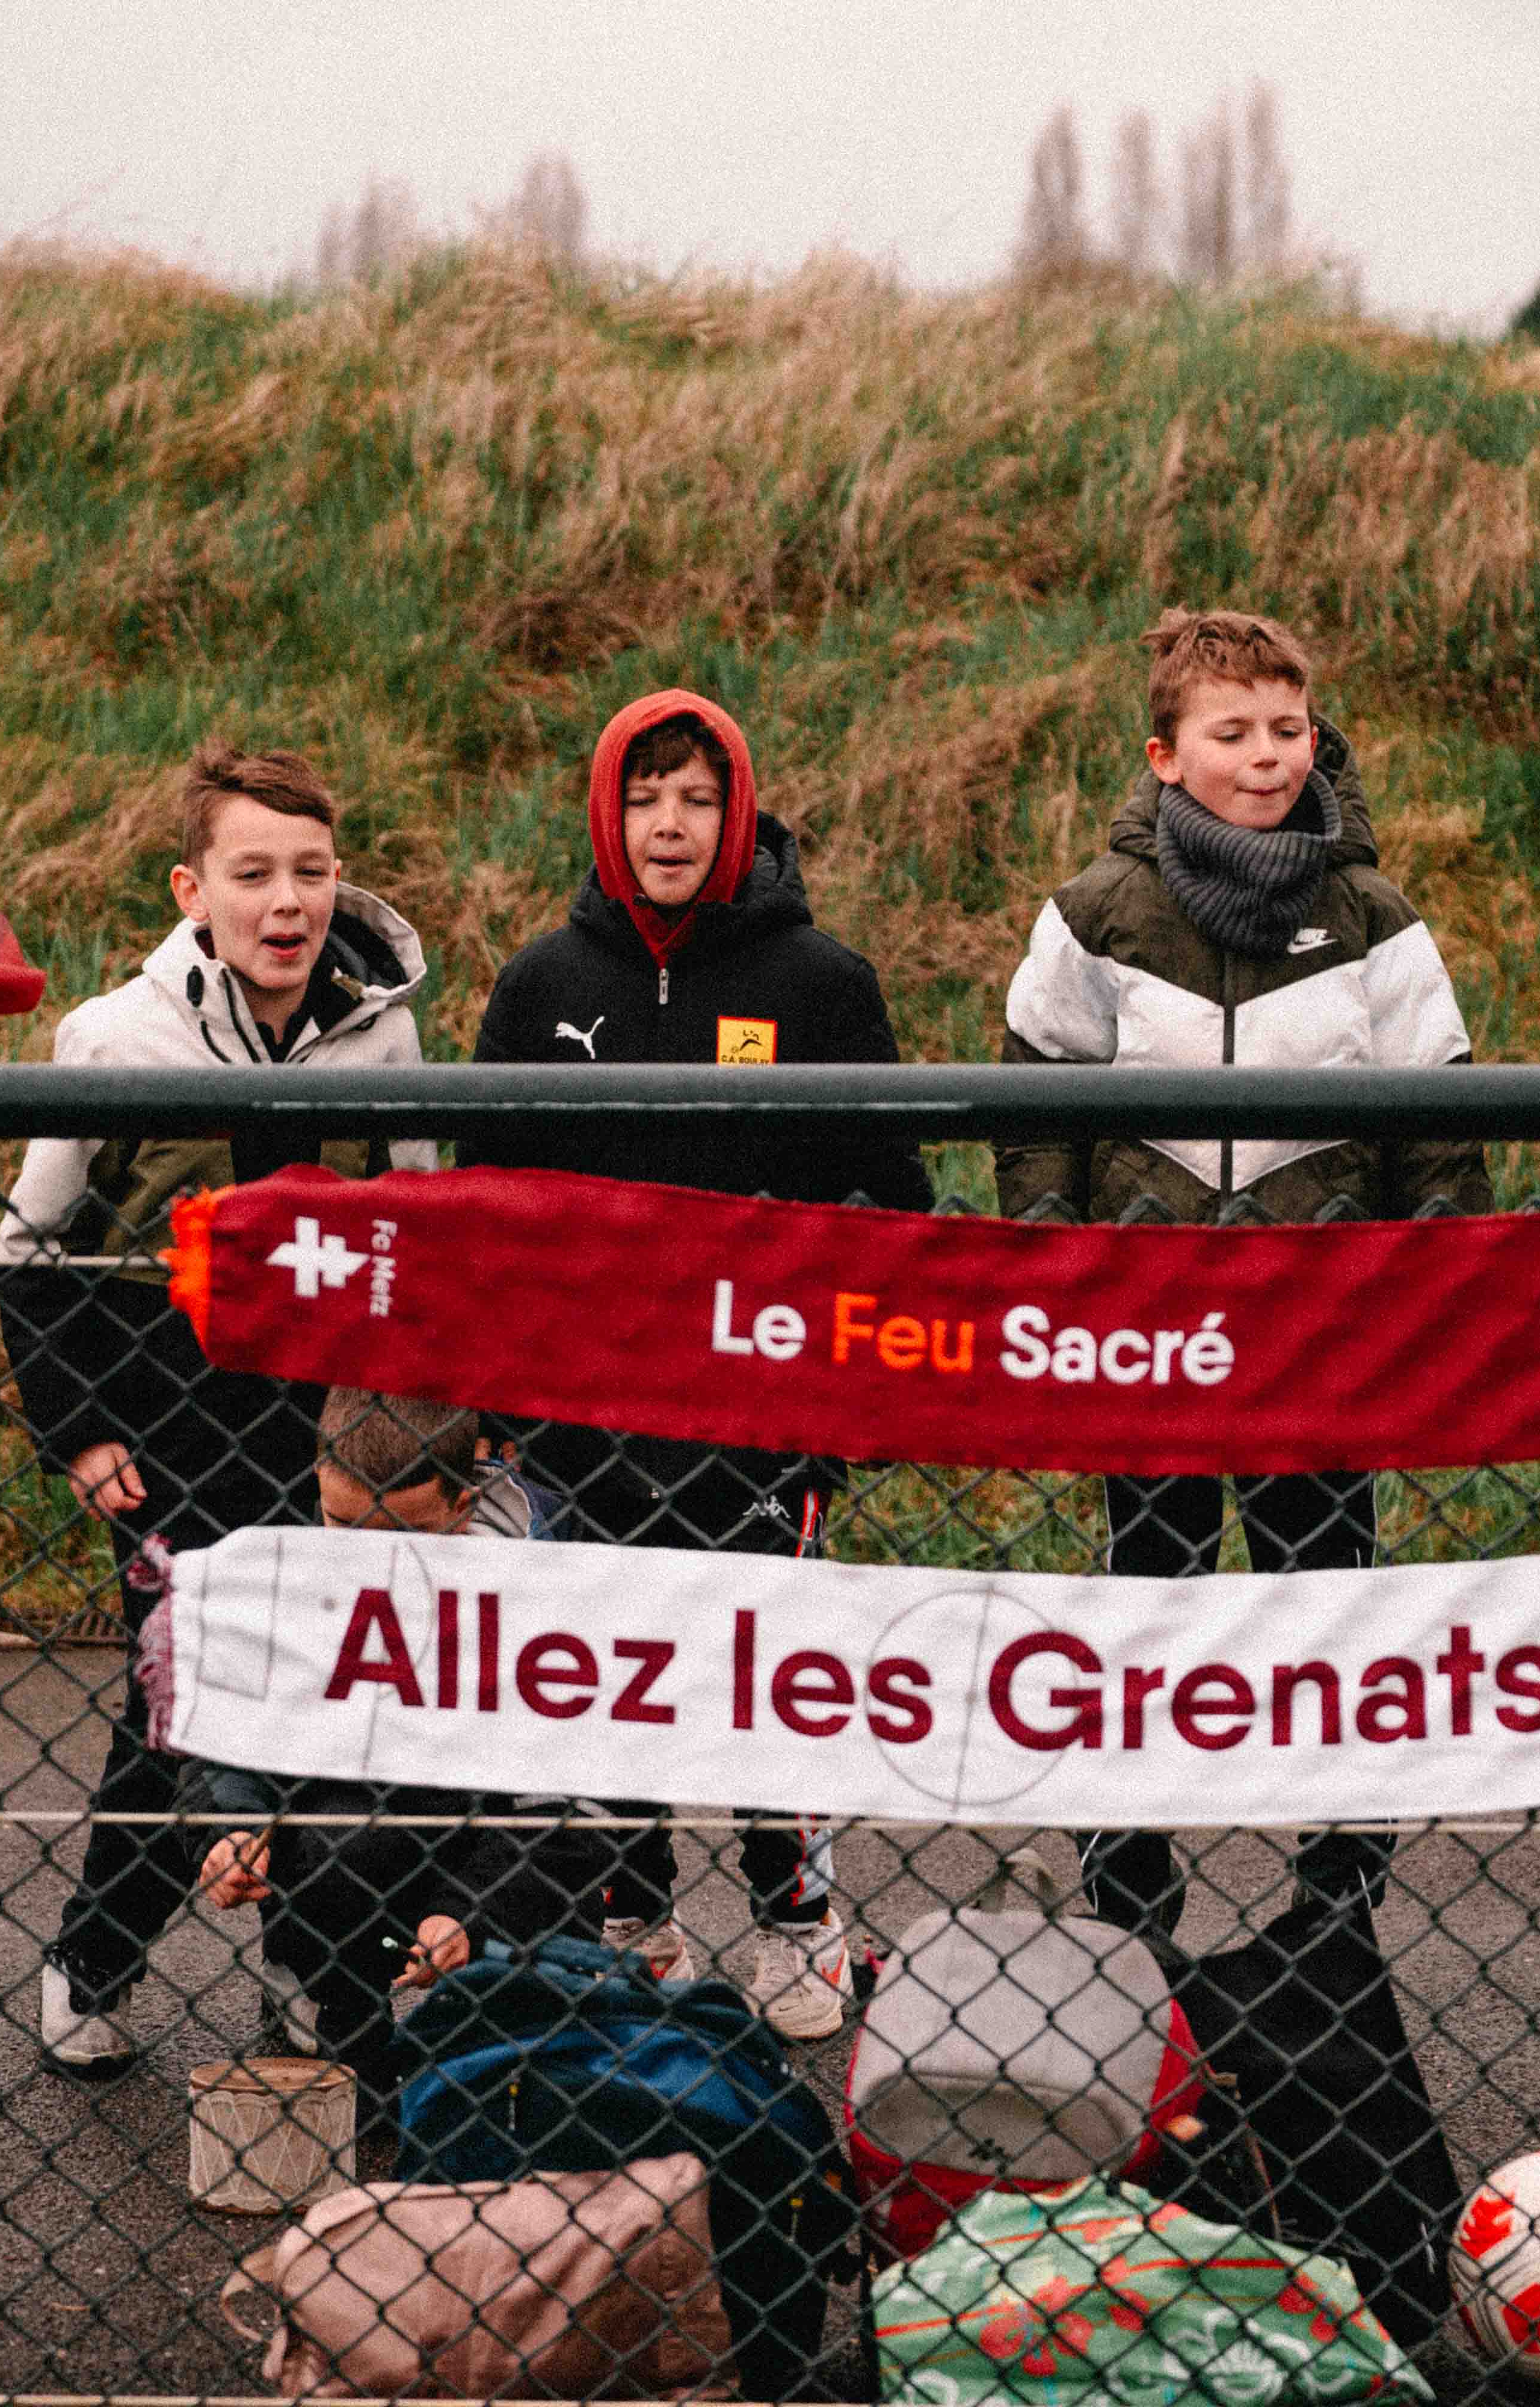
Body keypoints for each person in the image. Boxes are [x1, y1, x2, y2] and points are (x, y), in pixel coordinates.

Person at [993, 607, 1489, 1945]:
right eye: (1232, 732)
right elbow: (1037, 1112)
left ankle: (1340, 1886)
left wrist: (1431, 1305)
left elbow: (1436, 1123)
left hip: (1320, 1343)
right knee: (1140, 1610)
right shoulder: (1095, 915)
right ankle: (1127, 1888)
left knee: (1329, 1611)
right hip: (1147, 1341)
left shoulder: (1375, 914)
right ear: (1166, 755)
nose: (1266, 754)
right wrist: (1060, 1282)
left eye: (1287, 728)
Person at [457, 687, 935, 2039]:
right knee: (605, 1671)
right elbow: (488, 1207)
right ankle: (631, 1910)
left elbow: (888, 1200)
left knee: (769, 1672)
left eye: (697, 797)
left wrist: (860, 1389)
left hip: (760, 1420)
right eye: (643, 796)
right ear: (606, 813)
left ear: (738, 814)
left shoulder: (821, 983)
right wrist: (500, 1401)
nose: (669, 823)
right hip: (580, 1419)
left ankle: (795, 1919)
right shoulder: (542, 983)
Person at [0, 741, 437, 2077]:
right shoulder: (111, 1037)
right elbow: (29, 1259)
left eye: (309, 872)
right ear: (196, 889)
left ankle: (314, 1972)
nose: (284, 901)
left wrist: (409, 1436)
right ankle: (93, 1958)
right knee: (179, 1707)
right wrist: (78, 1429)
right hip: (165, 1451)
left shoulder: (388, 1034)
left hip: (326, 1448)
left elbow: (419, 1239)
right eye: (252, 874)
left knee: (320, 1709)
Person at [191, 1390, 608, 2093]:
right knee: (333, 1841)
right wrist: (235, 1826)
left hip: (499, 1830)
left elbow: (577, 1814)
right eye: (342, 1525)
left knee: (522, 2058)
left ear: (462, 1508)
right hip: (370, 1824)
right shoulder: (283, 1571)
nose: (367, 1563)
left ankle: (512, 2015)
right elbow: (227, 1738)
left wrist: (473, 1912)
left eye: (401, 1539)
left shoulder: (554, 1588)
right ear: (318, 1484)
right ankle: (338, 2010)